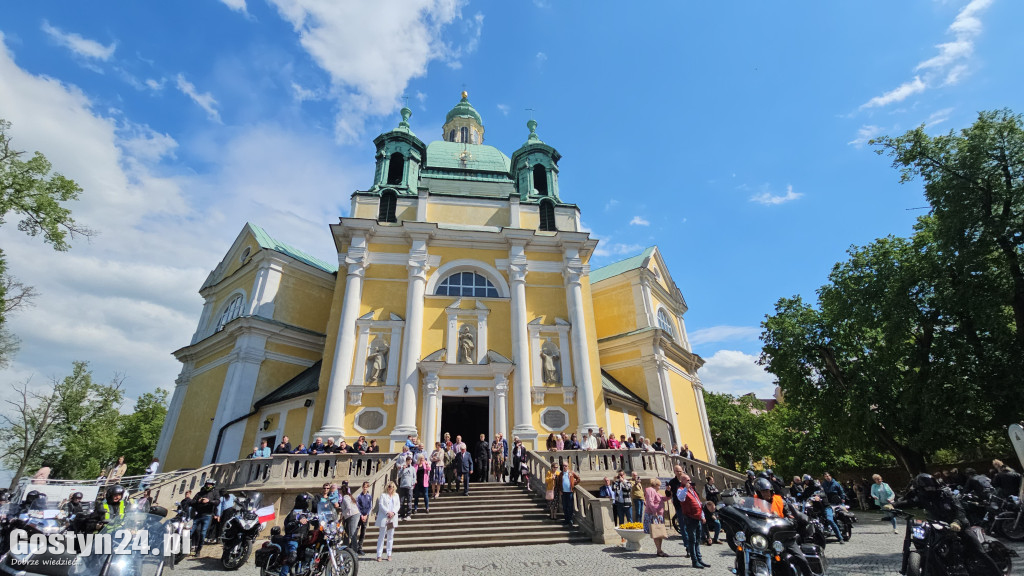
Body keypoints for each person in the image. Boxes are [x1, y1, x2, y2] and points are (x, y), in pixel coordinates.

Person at [897, 473, 1003, 576]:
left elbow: (960, 510)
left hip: (960, 526)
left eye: (931, 487)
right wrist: (892, 505)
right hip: (938, 526)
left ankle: (998, 573)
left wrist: (956, 522)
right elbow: (908, 503)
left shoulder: (947, 494)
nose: (930, 489)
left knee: (979, 552)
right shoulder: (922, 497)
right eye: (927, 488)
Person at [676, 473, 710, 569]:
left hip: (697, 517)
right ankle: (694, 561)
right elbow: (680, 498)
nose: (689, 481)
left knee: (698, 540)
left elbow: (699, 504)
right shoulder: (681, 490)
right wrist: (686, 488)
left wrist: (702, 516)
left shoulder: (692, 490)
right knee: (692, 540)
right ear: (682, 481)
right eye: (687, 480)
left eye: (689, 480)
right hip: (690, 518)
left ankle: (699, 559)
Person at [280, 494, 312, 576]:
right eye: (306, 501)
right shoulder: (294, 512)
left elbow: (314, 518)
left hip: (303, 539)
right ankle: (283, 574)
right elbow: (289, 524)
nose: (308, 503)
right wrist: (298, 521)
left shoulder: (307, 512)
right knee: (292, 557)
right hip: (292, 539)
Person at [191, 479, 219, 556]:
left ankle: (198, 550)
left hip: (208, 515)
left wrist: (209, 501)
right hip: (198, 514)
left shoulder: (215, 493)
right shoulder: (200, 493)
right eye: (207, 484)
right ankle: (184, 548)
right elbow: (192, 502)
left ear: (213, 485)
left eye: (210, 484)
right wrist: (199, 501)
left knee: (203, 533)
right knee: (190, 531)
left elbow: (217, 502)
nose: (208, 485)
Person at [375, 481, 401, 562]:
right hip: (384, 517)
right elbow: (381, 505)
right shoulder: (383, 495)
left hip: (392, 518)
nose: (391, 488)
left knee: (390, 536)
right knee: (381, 537)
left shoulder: (396, 495)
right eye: (389, 486)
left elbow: (398, 505)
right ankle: (379, 555)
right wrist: (387, 512)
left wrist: (393, 512)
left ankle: (389, 554)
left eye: (392, 487)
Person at [644, 477, 670, 557]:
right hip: (653, 515)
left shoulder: (656, 492)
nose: (660, 487)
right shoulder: (650, 490)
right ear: (656, 485)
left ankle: (659, 550)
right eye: (659, 485)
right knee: (656, 533)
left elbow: (663, 499)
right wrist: (654, 511)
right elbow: (650, 501)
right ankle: (659, 550)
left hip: (658, 514)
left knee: (660, 533)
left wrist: (669, 492)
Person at [340, 486, 360, 552]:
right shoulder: (348, 496)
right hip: (351, 515)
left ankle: (355, 550)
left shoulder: (345, 497)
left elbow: (348, 507)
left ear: (341, 491)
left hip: (352, 515)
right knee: (347, 532)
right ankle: (347, 548)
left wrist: (343, 514)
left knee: (352, 533)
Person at [355, 482, 372, 555]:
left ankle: (360, 547)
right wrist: (361, 515)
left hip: (366, 515)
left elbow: (370, 506)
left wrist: (366, 515)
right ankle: (354, 546)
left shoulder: (369, 496)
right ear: (362, 487)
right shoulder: (359, 496)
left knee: (363, 532)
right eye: (364, 487)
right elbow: (357, 506)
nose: (365, 488)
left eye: (366, 487)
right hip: (360, 515)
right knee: (356, 530)